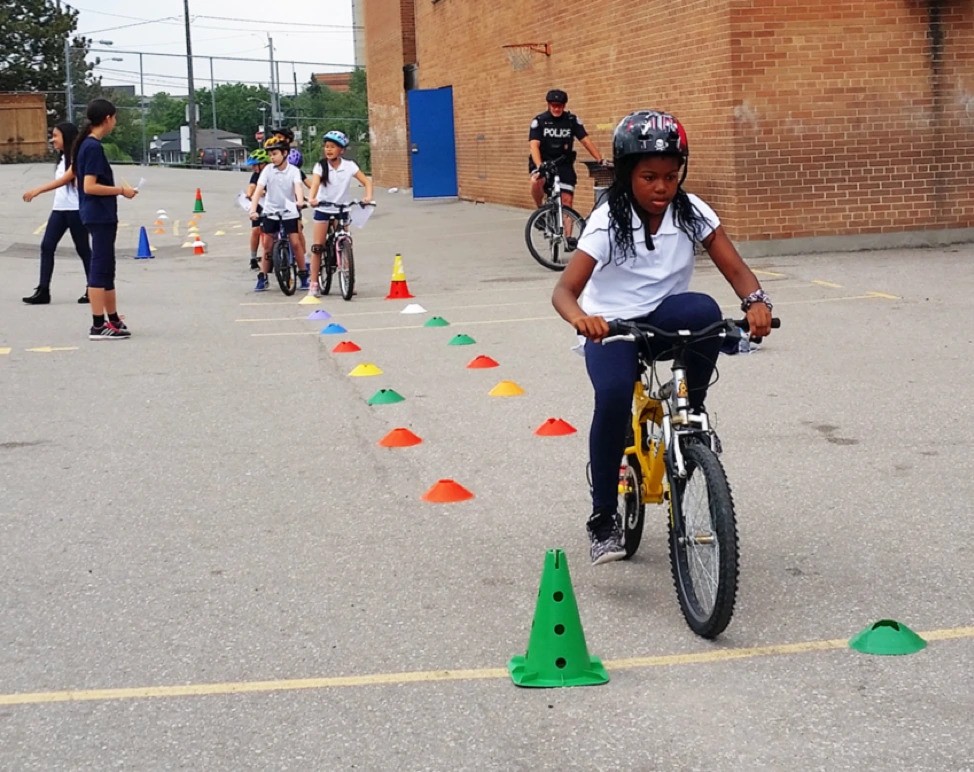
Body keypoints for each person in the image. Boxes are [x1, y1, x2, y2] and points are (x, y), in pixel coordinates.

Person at [551, 109, 774, 565]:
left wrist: (755, 300)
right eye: (649, 177)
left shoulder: (690, 212)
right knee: (613, 396)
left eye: (671, 177)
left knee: (705, 312)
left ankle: (692, 410)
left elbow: (733, 267)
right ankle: (603, 518)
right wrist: (582, 319)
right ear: (627, 173)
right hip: (611, 325)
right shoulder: (606, 221)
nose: (661, 188)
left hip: (663, 319)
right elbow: (564, 291)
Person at [72, 98, 138, 340]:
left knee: (107, 267)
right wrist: (121, 190)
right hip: (98, 215)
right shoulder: (92, 147)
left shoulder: (88, 145)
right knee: (99, 269)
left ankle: (113, 318)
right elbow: (89, 186)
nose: (115, 122)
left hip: (102, 215)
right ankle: (98, 325)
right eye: (115, 117)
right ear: (107, 118)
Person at [21, 121, 92, 305]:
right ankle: (43, 290)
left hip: (76, 210)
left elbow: (63, 181)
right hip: (59, 210)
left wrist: (37, 190)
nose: (53, 140)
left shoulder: (77, 158)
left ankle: (93, 288)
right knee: (47, 246)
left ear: (66, 138)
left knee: (83, 249)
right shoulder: (61, 159)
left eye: (56, 136)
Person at [307, 130, 373, 298]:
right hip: (323, 208)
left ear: (342, 150)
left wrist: (368, 196)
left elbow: (366, 181)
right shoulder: (320, 166)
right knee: (318, 247)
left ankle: (348, 279)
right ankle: (314, 283)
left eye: (333, 147)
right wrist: (312, 198)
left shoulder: (349, 166)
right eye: (326, 147)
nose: (328, 150)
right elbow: (314, 183)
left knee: (345, 241)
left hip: (342, 209)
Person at [529, 89, 606, 222]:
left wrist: (599, 159)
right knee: (536, 181)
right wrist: (539, 165)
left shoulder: (571, 121)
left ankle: (568, 238)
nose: (556, 109)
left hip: (563, 163)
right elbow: (534, 145)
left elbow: (585, 140)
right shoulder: (540, 121)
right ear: (548, 105)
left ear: (564, 106)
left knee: (567, 201)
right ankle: (540, 209)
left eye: (560, 106)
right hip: (544, 161)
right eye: (553, 105)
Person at [249, 138, 307, 292]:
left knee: (295, 242)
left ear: (285, 153)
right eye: (270, 154)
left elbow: (298, 187)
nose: (272, 157)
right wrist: (253, 210)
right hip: (271, 211)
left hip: (289, 210)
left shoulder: (294, 171)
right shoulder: (268, 170)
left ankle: (303, 274)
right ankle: (263, 277)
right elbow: (258, 190)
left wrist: (300, 201)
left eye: (275, 154)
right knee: (267, 245)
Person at [245, 148, 270, 270]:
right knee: (256, 230)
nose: (253, 168)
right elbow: (251, 189)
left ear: (263, 164)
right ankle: (253, 258)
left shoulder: (272, 172)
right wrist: (253, 193)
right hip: (260, 205)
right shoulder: (256, 175)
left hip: (274, 204)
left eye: (255, 165)